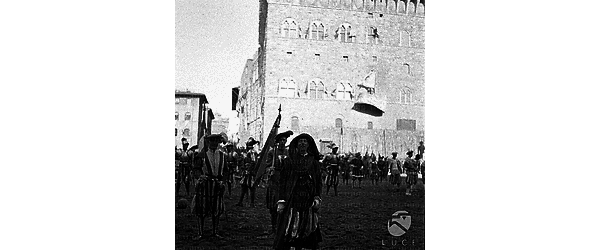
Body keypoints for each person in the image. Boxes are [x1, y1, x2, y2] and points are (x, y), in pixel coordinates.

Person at [273, 133, 323, 250]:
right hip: (293, 198)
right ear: (296, 144)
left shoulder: (313, 162)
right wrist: (281, 200)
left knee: (308, 225)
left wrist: (317, 197)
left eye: (305, 141)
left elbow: (318, 181)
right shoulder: (289, 161)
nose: (302, 143)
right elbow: (283, 181)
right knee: (291, 225)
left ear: (309, 145)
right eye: (300, 141)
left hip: (308, 198)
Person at [191, 134, 229, 239]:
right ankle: (200, 232)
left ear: (218, 143)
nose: (214, 143)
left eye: (216, 141)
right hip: (205, 184)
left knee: (216, 208)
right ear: (208, 142)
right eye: (212, 141)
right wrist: (200, 177)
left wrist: (223, 182)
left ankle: (215, 231)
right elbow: (196, 169)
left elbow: (226, 170)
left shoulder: (222, 155)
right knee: (201, 208)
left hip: (217, 184)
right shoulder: (202, 155)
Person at [264, 130, 293, 236]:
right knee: (273, 205)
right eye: (281, 140)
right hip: (275, 180)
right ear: (278, 141)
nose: (283, 142)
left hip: (285, 181)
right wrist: (269, 170)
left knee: (284, 204)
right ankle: (274, 226)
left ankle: (283, 226)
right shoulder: (272, 152)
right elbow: (267, 165)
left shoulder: (288, 152)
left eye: (284, 140)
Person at [236, 137, 259, 207]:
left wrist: (248, 170)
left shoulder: (252, 152)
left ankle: (252, 203)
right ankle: (240, 202)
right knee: (243, 187)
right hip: (245, 171)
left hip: (250, 172)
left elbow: (253, 162)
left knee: (251, 187)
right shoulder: (246, 152)